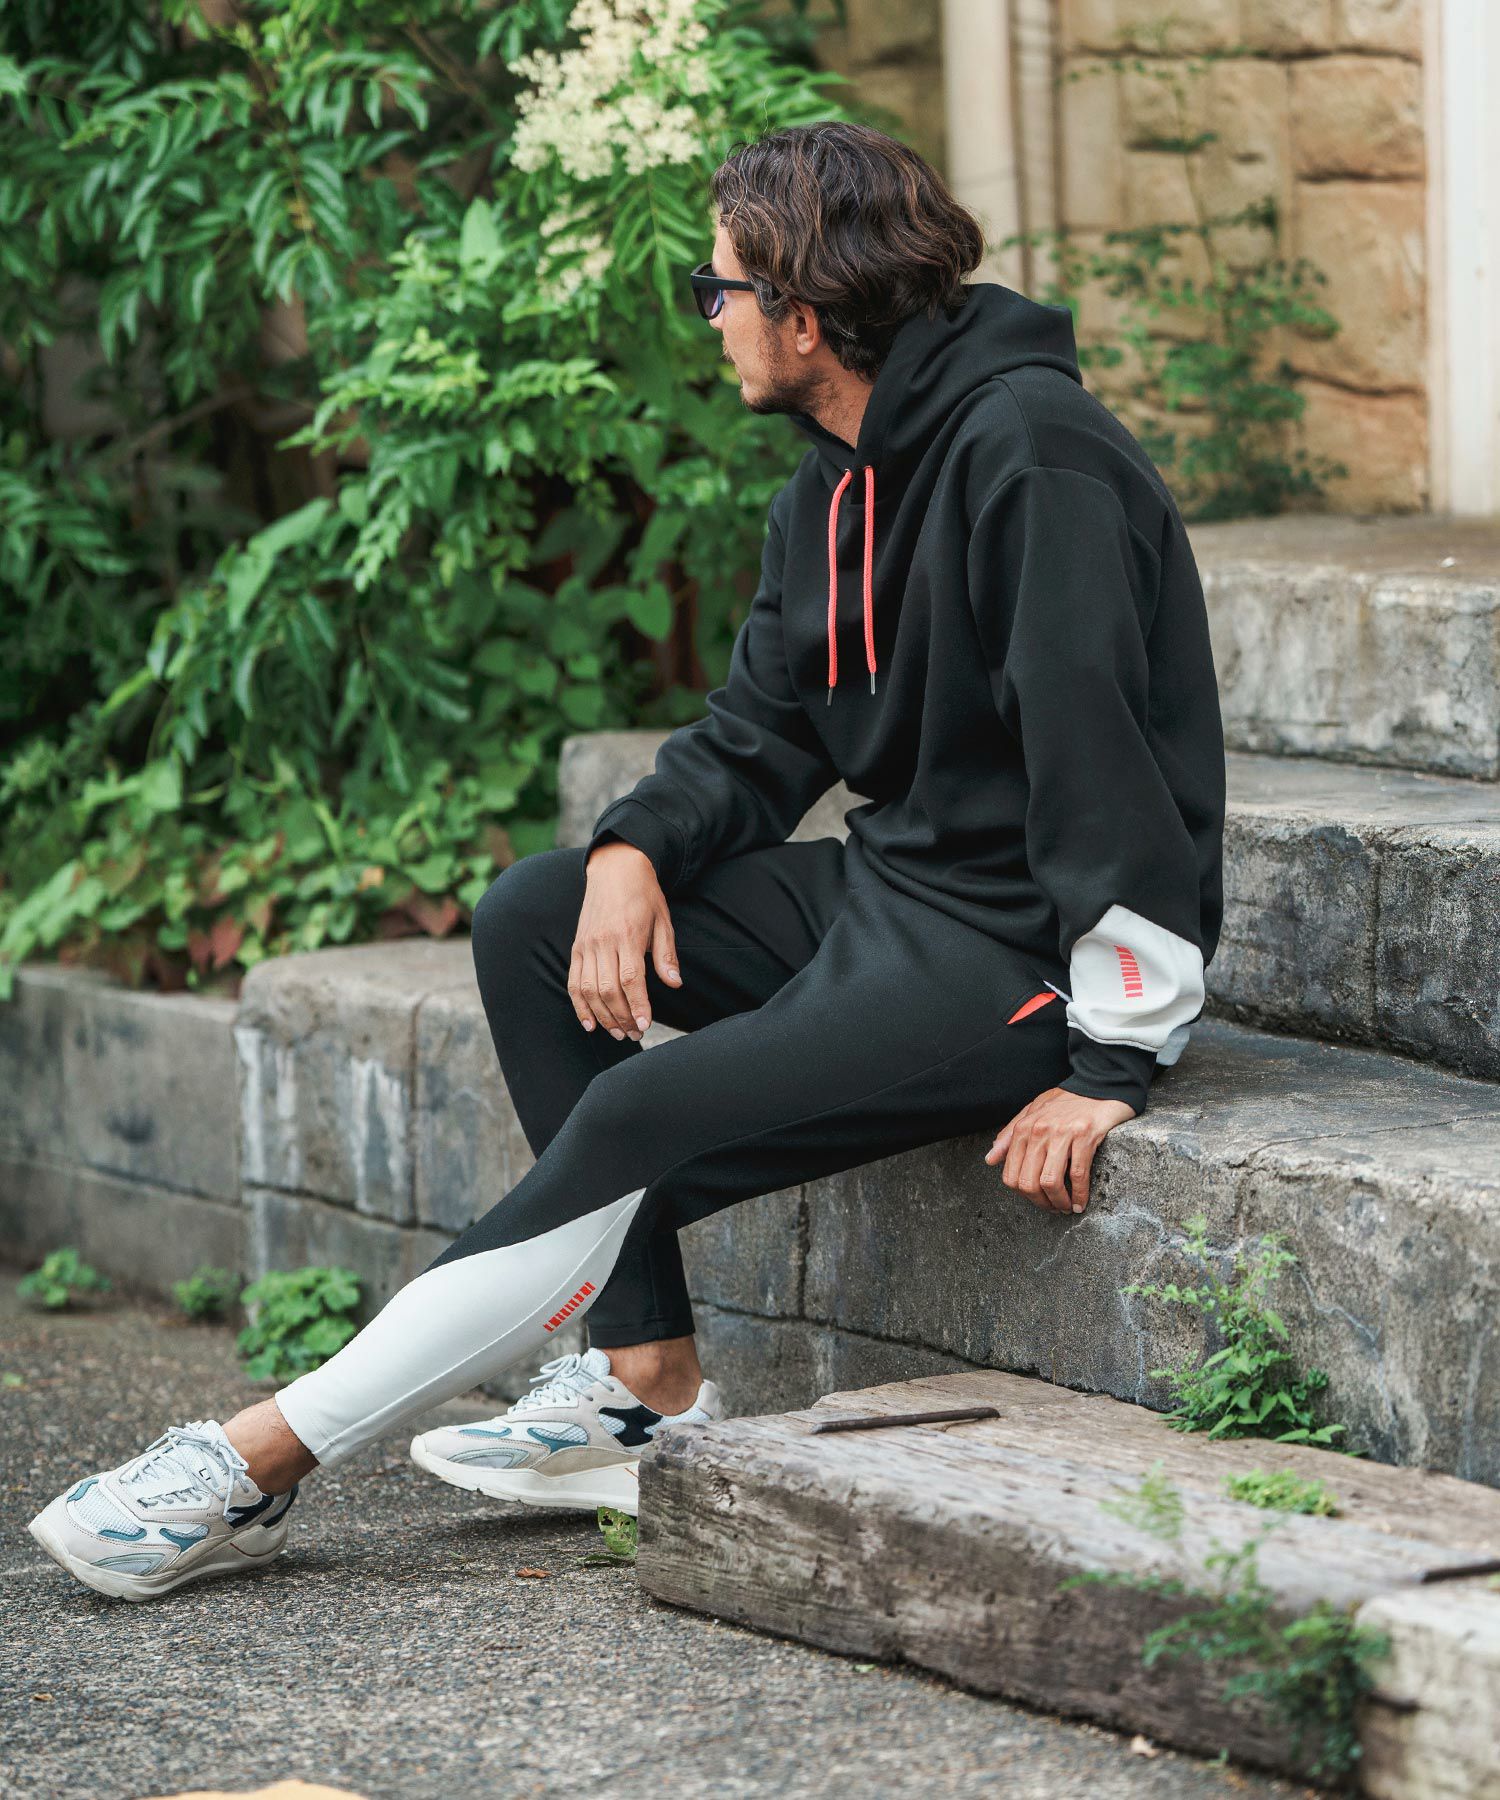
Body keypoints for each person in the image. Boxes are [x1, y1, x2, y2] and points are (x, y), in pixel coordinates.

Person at [28, 120, 1225, 1602]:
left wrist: (1112, 1057)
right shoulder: (830, 487)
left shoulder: (1032, 454)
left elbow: (1106, 762)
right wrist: (632, 849)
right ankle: (642, 1381)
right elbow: (761, 733)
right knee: (538, 914)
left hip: (1019, 952)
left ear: (803, 309)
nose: (708, 317)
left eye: (719, 289)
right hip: (896, 892)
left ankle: (254, 1460)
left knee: (640, 1111)